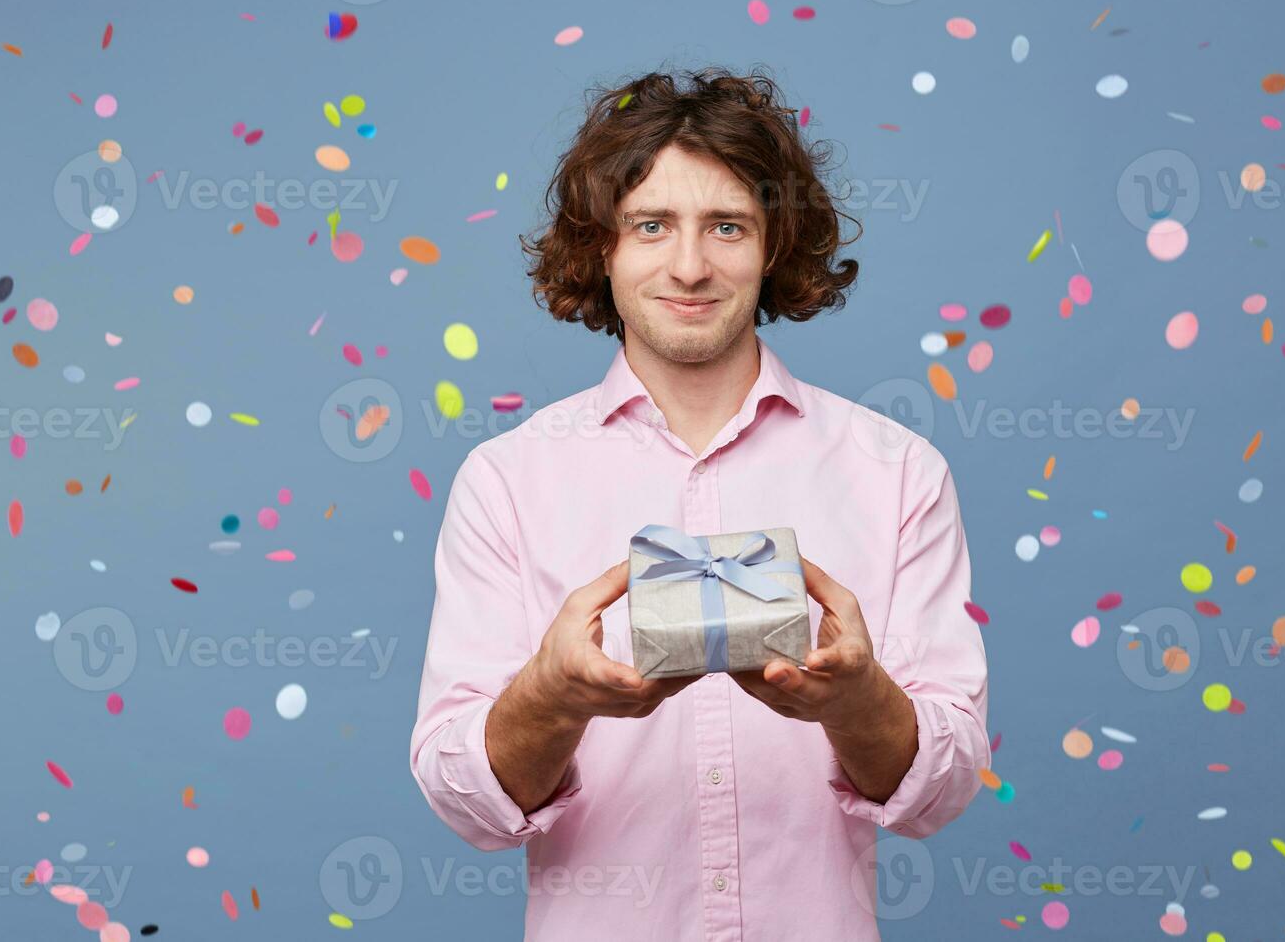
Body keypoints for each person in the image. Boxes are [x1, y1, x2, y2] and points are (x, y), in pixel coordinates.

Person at [410, 66, 990, 941]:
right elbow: (467, 806)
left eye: (727, 225)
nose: (690, 266)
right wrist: (555, 695)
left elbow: (939, 796)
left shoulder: (896, 470)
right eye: (651, 226)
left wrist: (856, 698)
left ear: (775, 244)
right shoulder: (509, 480)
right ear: (600, 246)